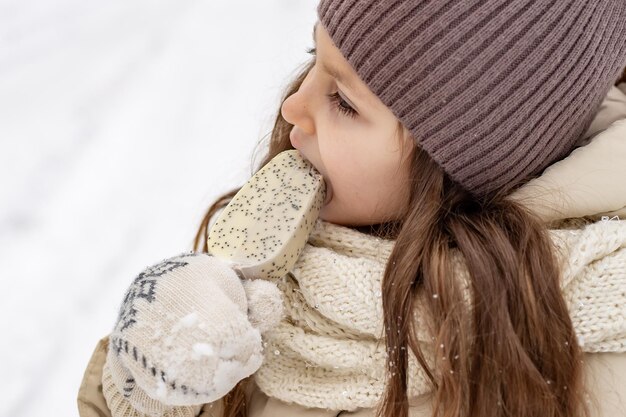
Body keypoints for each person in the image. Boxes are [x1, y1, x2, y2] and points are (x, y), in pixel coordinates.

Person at [78, 1, 626, 416]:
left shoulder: (588, 359)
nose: (294, 105)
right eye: (314, 58)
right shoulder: (273, 277)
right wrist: (143, 378)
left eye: (342, 99)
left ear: (461, 161)